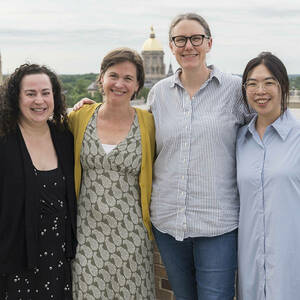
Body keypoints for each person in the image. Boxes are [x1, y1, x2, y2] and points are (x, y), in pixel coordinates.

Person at [147, 13, 251, 300]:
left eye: (196, 38)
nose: (188, 46)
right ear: (171, 46)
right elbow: (138, 136)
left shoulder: (234, 89)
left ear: (209, 43)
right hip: (168, 223)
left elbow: (268, 127)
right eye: (181, 39)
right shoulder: (158, 94)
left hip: (217, 224)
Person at [68, 47, 156, 299]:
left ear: (138, 85)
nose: (119, 84)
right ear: (101, 79)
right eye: (113, 75)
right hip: (87, 234)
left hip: (133, 236)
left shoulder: (149, 123)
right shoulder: (79, 118)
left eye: (128, 78)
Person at [0, 63, 77, 299]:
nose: (39, 101)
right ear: (16, 97)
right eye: (30, 94)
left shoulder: (64, 137)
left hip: (60, 259)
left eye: (46, 93)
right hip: (15, 260)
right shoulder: (4, 141)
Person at [236, 52, 299, 300]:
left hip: (291, 265)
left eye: (269, 82)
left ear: (283, 86)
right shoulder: (240, 140)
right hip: (250, 265)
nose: (260, 91)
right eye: (252, 84)